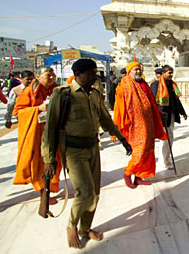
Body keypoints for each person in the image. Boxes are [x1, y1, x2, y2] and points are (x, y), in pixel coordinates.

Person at [42, 59, 132, 249]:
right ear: (78, 74)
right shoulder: (63, 94)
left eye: (95, 73)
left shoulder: (94, 94)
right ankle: (71, 226)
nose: (94, 77)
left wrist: (122, 139)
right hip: (74, 152)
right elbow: (50, 129)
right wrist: (49, 159)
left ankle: (85, 228)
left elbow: (106, 120)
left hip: (93, 148)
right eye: (91, 73)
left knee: (95, 194)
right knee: (85, 192)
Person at [113, 62, 167, 188]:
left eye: (139, 69)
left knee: (148, 150)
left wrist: (158, 113)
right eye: (136, 69)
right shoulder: (123, 86)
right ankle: (128, 172)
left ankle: (139, 177)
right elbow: (119, 108)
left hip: (148, 122)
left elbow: (151, 102)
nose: (138, 71)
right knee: (140, 151)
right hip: (135, 125)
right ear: (129, 72)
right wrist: (116, 128)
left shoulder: (143, 84)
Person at [12, 66, 60, 200]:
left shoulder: (56, 89)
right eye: (48, 75)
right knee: (40, 164)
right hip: (37, 133)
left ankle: (50, 187)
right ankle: (43, 192)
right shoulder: (29, 92)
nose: (51, 77)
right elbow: (18, 112)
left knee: (55, 160)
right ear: (38, 77)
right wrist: (37, 109)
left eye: (52, 75)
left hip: (53, 131)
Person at [153, 65, 187, 169]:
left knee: (169, 138)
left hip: (171, 115)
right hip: (162, 116)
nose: (171, 75)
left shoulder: (172, 85)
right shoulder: (156, 85)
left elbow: (176, 100)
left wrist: (182, 112)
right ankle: (164, 161)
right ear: (162, 74)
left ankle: (165, 159)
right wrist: (160, 113)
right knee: (166, 139)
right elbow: (153, 102)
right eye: (169, 73)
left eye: (172, 73)